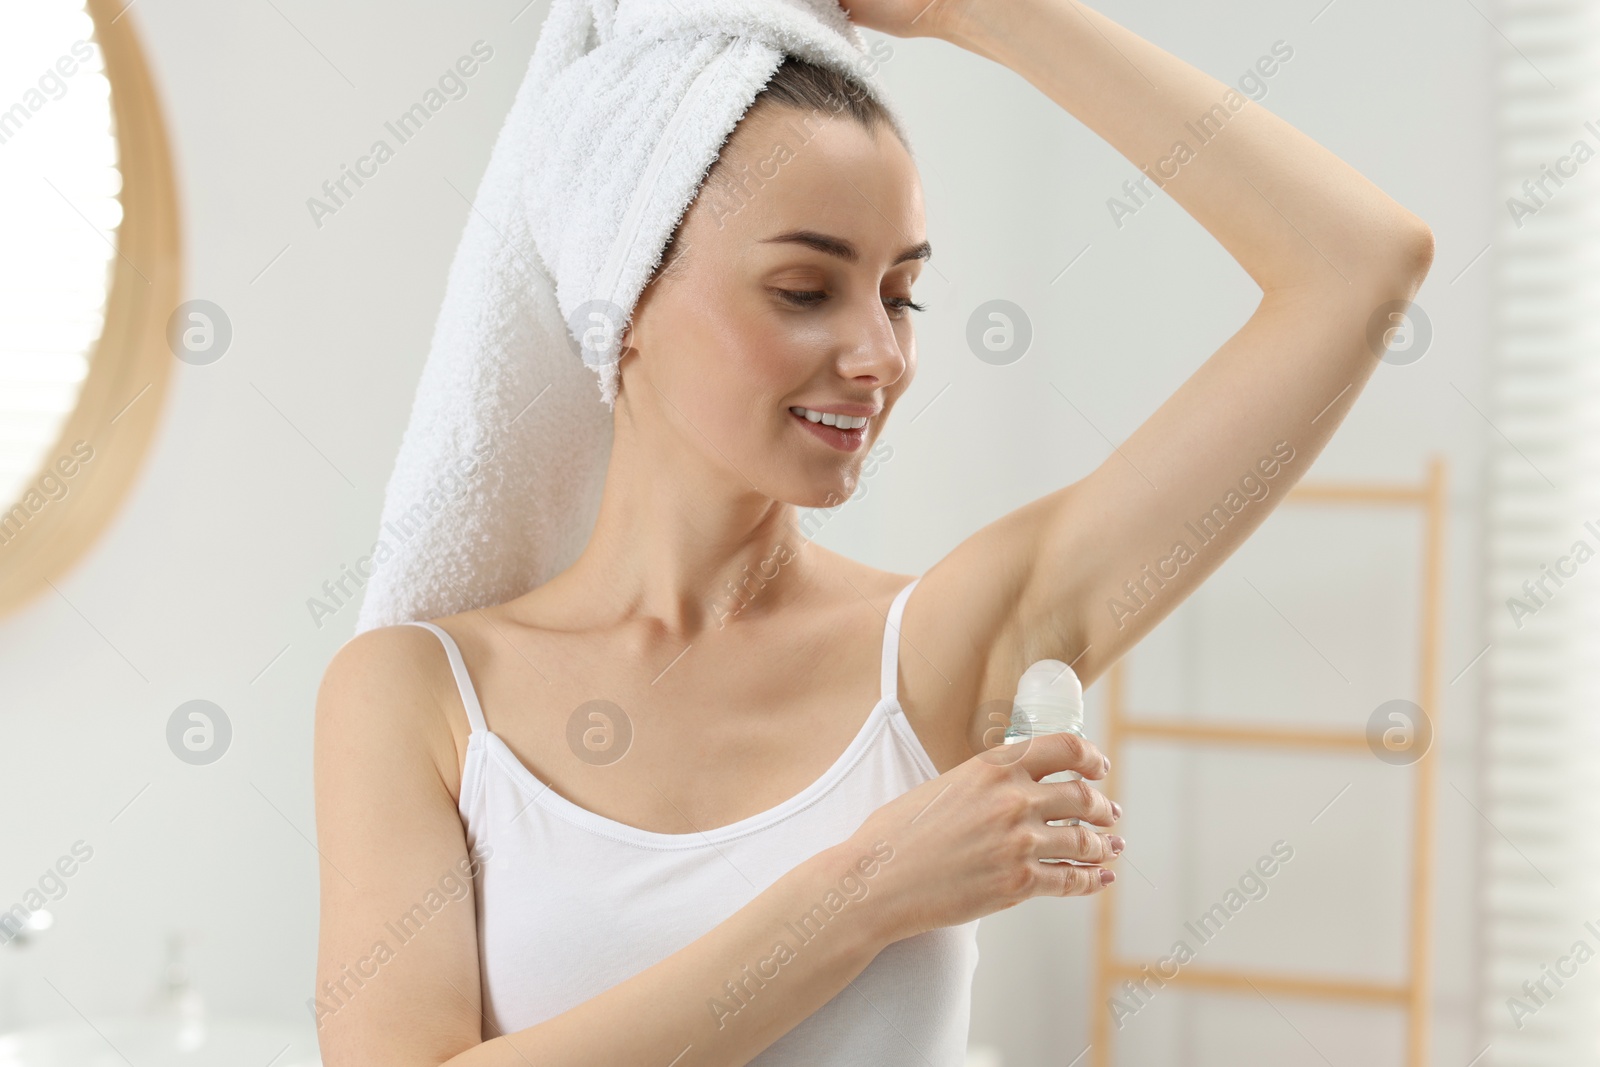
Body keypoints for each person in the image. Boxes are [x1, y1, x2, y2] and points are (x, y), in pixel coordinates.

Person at [311, 0, 1434, 1063]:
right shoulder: (419, 695)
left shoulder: (939, 652)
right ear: (621, 301)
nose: (878, 355)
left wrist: (977, 15)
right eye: (805, 288)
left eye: (901, 295)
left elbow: (1358, 267)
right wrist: (864, 891)